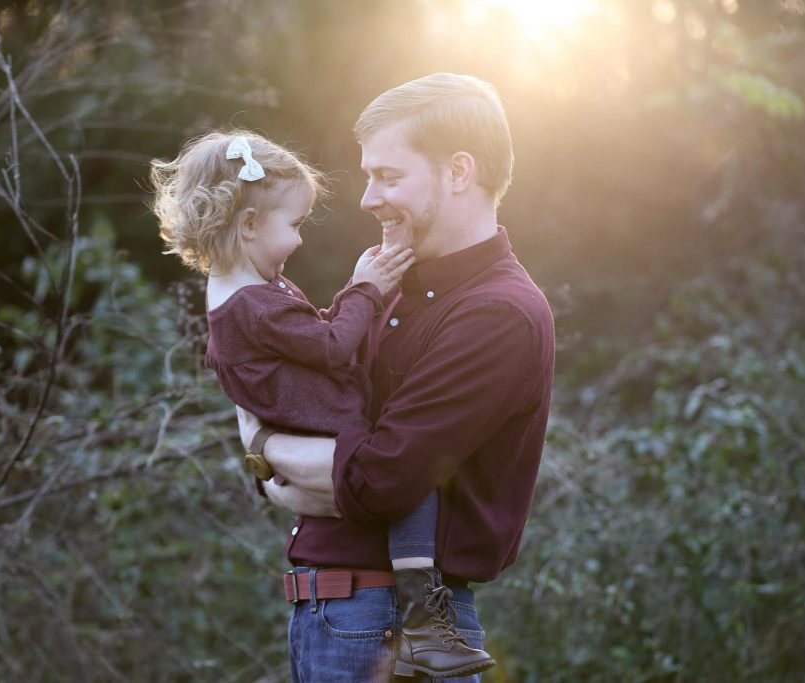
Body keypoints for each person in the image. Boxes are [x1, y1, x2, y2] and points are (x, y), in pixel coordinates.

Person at [237, 73, 555, 682]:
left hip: (394, 629)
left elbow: (379, 480)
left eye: (388, 176)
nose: (367, 198)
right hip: (334, 617)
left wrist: (262, 446)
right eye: (368, 177)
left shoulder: (496, 314)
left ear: (459, 172)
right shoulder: (386, 287)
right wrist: (283, 456)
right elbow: (307, 412)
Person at [148, 129, 495, 677]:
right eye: (295, 225)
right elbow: (332, 345)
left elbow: (313, 342)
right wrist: (366, 289)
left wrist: (263, 448)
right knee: (415, 487)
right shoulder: (253, 304)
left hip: (314, 447)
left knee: (403, 484)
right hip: (331, 430)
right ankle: (425, 620)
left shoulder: (249, 290)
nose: (300, 241)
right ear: (249, 225)